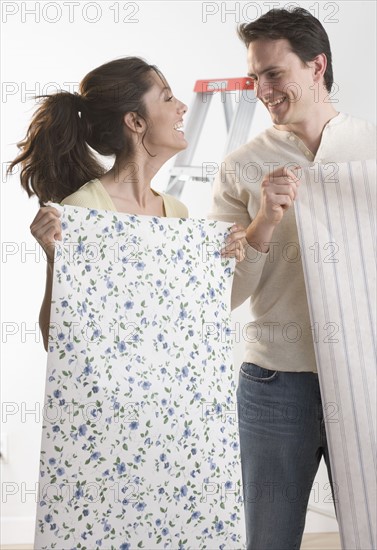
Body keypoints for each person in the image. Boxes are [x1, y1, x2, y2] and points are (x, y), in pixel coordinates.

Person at [209, 7, 376, 549]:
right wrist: (264, 222)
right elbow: (225, 295)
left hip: (367, 370)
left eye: (274, 73)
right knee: (270, 540)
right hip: (277, 382)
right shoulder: (240, 166)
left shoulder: (371, 150)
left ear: (316, 66)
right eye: (255, 76)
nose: (262, 89)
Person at [8, 56, 246, 351]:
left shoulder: (176, 211)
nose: (183, 107)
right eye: (168, 98)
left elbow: (179, 320)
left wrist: (222, 265)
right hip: (106, 397)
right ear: (135, 121)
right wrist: (55, 262)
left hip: (166, 391)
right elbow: (57, 342)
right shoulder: (86, 208)